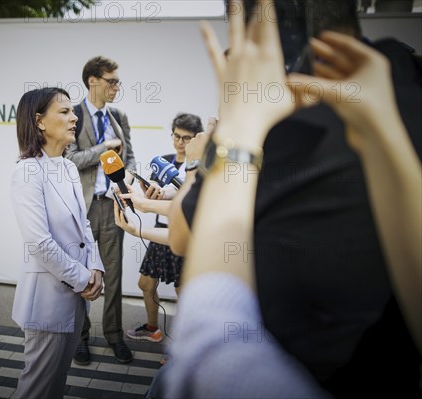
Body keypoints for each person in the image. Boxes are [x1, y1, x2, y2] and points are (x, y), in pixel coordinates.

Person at [165, 0, 421, 396]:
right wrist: (381, 128)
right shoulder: (396, 91)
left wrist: (230, 134)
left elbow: (206, 344)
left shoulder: (272, 131)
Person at [10, 87, 105, 399]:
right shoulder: (27, 172)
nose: (73, 116)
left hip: (76, 297)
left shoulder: (67, 167)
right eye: (63, 111)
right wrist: (82, 280)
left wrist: (96, 268)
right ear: (39, 121)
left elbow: (84, 225)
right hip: (49, 301)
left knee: (55, 386)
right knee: (37, 389)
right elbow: (39, 243)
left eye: (72, 111)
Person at [66, 55, 136, 364]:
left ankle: (114, 336)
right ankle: (80, 337)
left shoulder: (119, 115)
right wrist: (102, 149)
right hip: (82, 210)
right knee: (81, 275)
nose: (117, 87)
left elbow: (131, 156)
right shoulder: (74, 116)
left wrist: (129, 178)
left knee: (115, 276)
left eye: (118, 81)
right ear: (93, 81)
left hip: (112, 207)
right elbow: (69, 160)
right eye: (112, 81)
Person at [120, 113, 202, 344]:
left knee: (184, 294)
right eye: (176, 136)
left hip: (185, 238)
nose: (180, 142)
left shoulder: (200, 169)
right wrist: (149, 193)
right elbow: (152, 196)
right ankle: (152, 327)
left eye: (186, 138)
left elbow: (193, 204)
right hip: (160, 234)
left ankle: (182, 344)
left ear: (196, 139)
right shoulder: (164, 161)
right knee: (145, 284)